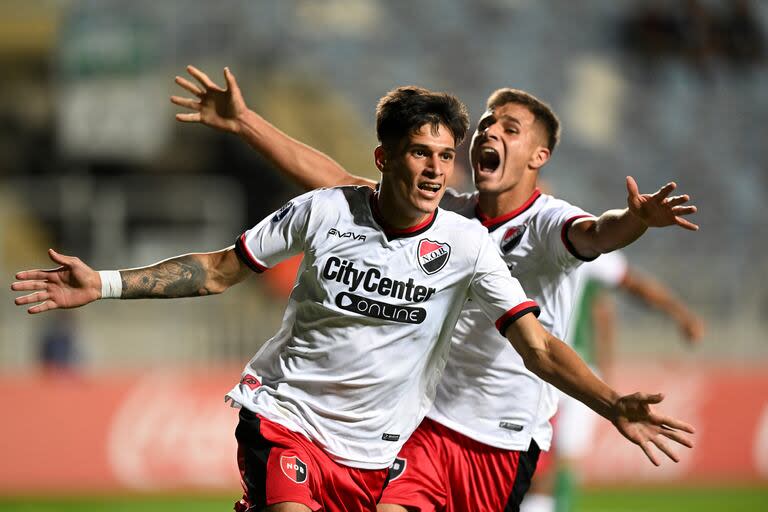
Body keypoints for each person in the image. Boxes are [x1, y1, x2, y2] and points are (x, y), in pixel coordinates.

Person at [169, 66, 700, 512]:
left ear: (539, 158)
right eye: (488, 124)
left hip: (503, 437)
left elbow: (598, 233)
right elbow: (338, 181)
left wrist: (636, 222)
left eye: (510, 129)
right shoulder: (449, 217)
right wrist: (245, 122)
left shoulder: (547, 223)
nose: (490, 133)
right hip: (424, 425)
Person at [522, 250, 705, 512]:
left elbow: (620, 296)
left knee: (556, 459)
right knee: (545, 462)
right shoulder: (565, 235)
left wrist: (679, 313)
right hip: (552, 370)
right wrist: (680, 314)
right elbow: (620, 297)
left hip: (564, 372)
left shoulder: (575, 235)